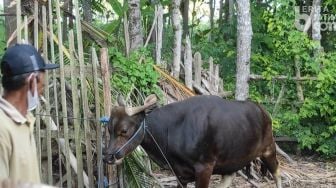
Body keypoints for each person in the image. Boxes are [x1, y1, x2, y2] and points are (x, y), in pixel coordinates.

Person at [0, 44, 59, 184]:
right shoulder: (2, 128)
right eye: (42, 86)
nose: (41, 92)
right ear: (32, 81)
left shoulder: (25, 120)